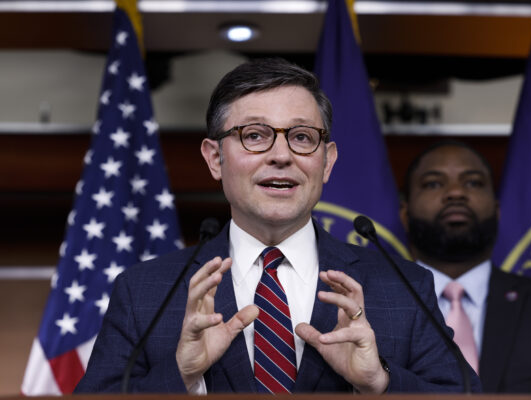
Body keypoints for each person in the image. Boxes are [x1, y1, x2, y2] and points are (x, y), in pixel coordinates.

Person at [75, 59, 478, 393]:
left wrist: (379, 382)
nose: (281, 155)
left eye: (302, 137)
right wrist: (181, 375)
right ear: (215, 158)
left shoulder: (401, 286)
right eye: (255, 136)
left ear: (328, 161)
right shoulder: (146, 290)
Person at [400, 140, 531, 393]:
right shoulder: (368, 307)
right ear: (404, 215)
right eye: (433, 183)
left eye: (473, 182)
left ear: (497, 210)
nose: (456, 193)